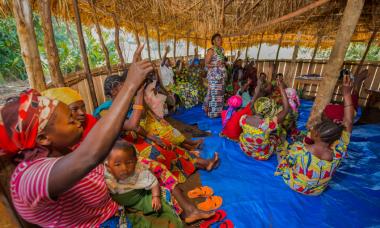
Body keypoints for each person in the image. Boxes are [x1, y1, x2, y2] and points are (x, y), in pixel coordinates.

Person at [0, 45, 155, 226]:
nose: (77, 119)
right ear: (43, 138)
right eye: (70, 118)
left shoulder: (62, 149)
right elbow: (90, 155)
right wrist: (130, 85)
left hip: (117, 213)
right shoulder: (31, 178)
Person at [275, 75, 355, 195]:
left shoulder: (299, 149)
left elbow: (287, 162)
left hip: (296, 185)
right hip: (317, 191)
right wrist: (347, 94)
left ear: (316, 135)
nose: (311, 129)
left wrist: (282, 152)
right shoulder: (339, 152)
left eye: (313, 129)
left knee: (281, 152)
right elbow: (348, 122)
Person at [104, 141, 183, 227]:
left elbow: (154, 182)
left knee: (160, 207)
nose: (124, 168)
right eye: (117, 164)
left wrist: (155, 197)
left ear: (135, 161)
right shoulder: (105, 175)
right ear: (108, 166)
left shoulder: (140, 171)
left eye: (129, 163)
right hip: (119, 205)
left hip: (140, 198)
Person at [239, 77, 290, 160]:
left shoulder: (243, 118)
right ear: (269, 111)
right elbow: (286, 109)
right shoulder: (268, 124)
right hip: (261, 154)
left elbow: (252, 102)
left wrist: (258, 86)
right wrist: (281, 88)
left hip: (245, 149)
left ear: (256, 107)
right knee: (278, 135)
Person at [203, 33, 227, 118]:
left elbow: (222, 61)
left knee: (220, 94)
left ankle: (218, 112)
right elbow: (206, 64)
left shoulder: (222, 50)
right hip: (213, 76)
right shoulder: (211, 50)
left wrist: (223, 63)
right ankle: (211, 113)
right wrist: (216, 65)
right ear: (213, 41)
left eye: (220, 39)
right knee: (213, 94)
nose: (220, 41)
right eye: (218, 39)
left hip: (221, 75)